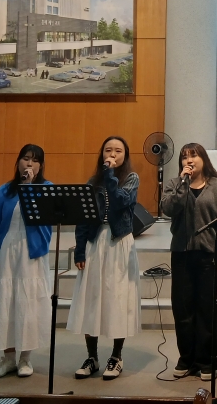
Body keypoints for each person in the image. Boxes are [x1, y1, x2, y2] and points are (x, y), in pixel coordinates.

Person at [67, 136, 140, 381]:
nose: (112, 154)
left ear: (125, 156)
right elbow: (83, 218)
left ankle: (116, 357)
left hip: (119, 243)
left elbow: (120, 201)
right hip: (95, 242)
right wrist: (79, 250)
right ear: (102, 154)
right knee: (92, 298)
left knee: (117, 299)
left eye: (118, 151)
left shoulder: (131, 179)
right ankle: (92, 357)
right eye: (108, 150)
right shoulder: (92, 182)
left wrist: (109, 175)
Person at [0, 144, 52, 378]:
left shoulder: (47, 189)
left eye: (35, 160)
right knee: (6, 302)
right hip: (8, 249)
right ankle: (8, 358)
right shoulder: (5, 191)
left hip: (32, 251)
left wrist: (29, 187)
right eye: (25, 158)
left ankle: (25, 359)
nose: (29, 163)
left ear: (41, 166)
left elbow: (40, 219)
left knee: (28, 302)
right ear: (18, 162)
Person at [160, 143, 217, 381]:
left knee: (208, 310)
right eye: (184, 157)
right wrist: (183, 184)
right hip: (182, 254)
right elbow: (169, 209)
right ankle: (187, 358)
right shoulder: (174, 184)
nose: (189, 161)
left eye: (193, 156)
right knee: (183, 309)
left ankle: (207, 361)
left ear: (204, 159)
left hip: (209, 256)